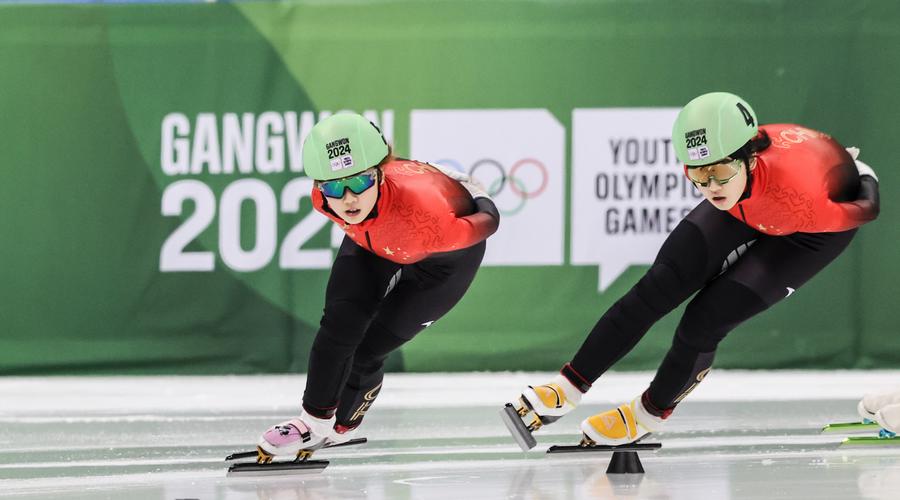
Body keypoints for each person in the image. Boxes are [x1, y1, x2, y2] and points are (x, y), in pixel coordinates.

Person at [503, 91, 881, 449]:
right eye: (698, 176)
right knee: (657, 288)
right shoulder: (729, 181)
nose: (711, 186)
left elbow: (867, 208)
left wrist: (861, 175)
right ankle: (568, 386)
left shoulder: (802, 194)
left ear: (749, 159)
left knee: (704, 321)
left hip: (809, 230)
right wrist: (724, 180)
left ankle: (649, 414)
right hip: (748, 204)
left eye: (718, 172)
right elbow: (725, 180)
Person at [257, 112, 500, 460]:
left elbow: (489, 222)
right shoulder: (325, 199)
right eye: (334, 187)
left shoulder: (428, 218)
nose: (348, 199)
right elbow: (359, 183)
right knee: (339, 325)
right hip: (376, 242)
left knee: (368, 350)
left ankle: (343, 427)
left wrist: (477, 193)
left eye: (358, 183)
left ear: (380, 174)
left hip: (442, 260)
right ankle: (312, 422)